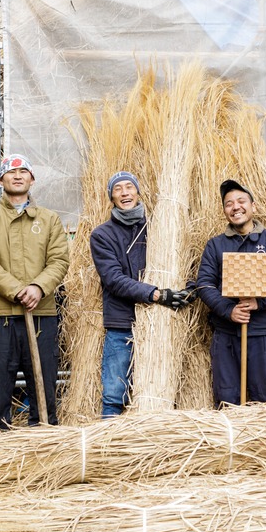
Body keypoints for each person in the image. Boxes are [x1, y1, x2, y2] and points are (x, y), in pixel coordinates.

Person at [0, 153, 70, 432]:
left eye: (23, 171)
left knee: (44, 384)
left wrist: (38, 287)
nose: (17, 176)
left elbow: (59, 260)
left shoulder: (49, 219)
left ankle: (43, 439)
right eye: (10, 172)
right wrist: (17, 291)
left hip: (41, 316)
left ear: (32, 179)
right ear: (1, 180)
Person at [89, 171, 190, 417]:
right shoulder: (102, 235)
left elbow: (183, 262)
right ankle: (107, 445)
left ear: (138, 192)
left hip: (162, 324)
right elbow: (114, 280)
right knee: (115, 393)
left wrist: (188, 288)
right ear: (111, 198)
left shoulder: (159, 228)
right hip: (122, 322)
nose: (124, 193)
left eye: (129, 187)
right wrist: (155, 294)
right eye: (118, 189)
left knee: (157, 389)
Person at [195, 179, 266, 406]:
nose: (235, 207)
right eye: (229, 204)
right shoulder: (216, 245)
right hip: (226, 336)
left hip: (263, 334)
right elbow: (204, 284)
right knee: (227, 400)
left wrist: (259, 302)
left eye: (241, 201)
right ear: (224, 211)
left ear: (254, 206)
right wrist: (228, 309)